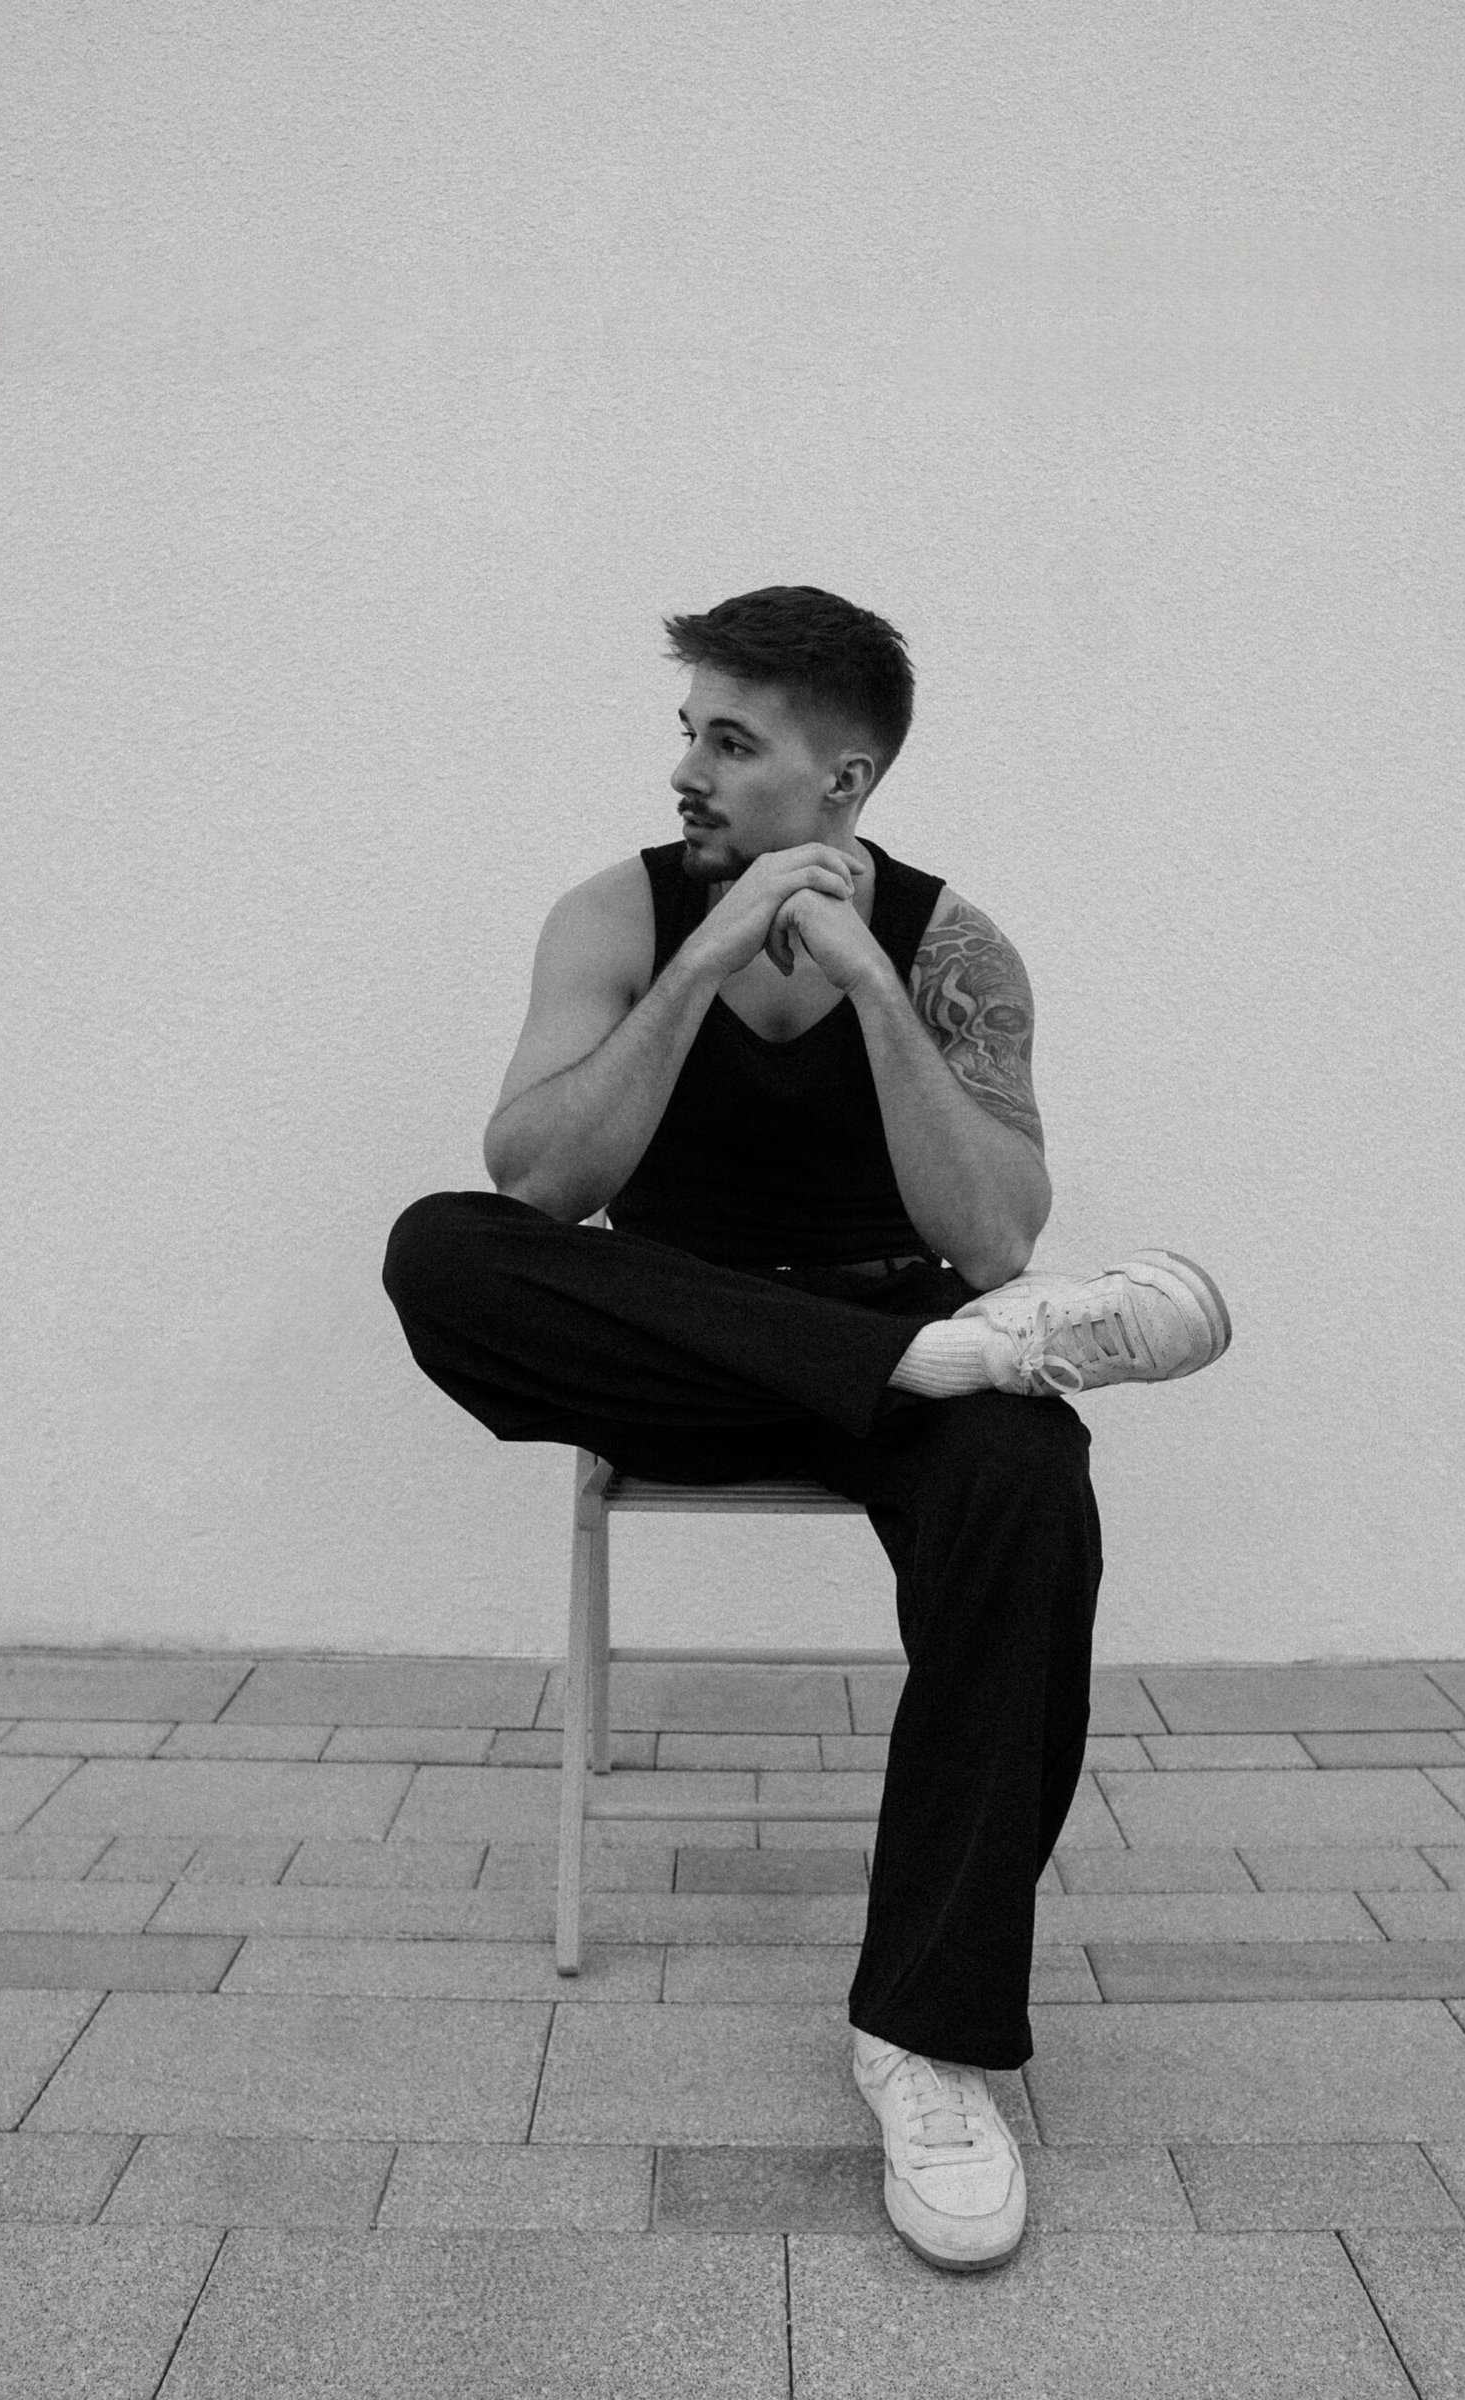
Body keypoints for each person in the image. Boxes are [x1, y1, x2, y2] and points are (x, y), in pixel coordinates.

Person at [382, 584, 1230, 2272]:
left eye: (729, 741)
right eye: (687, 731)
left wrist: (869, 984)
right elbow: (537, 1187)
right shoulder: (616, 915)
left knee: (1030, 1491)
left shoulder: (957, 944)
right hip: (684, 1345)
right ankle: (923, 1366)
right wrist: (705, 958)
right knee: (441, 1251)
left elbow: (994, 1238)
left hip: (906, 1324)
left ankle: (929, 2042)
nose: (684, 770)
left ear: (841, 783)